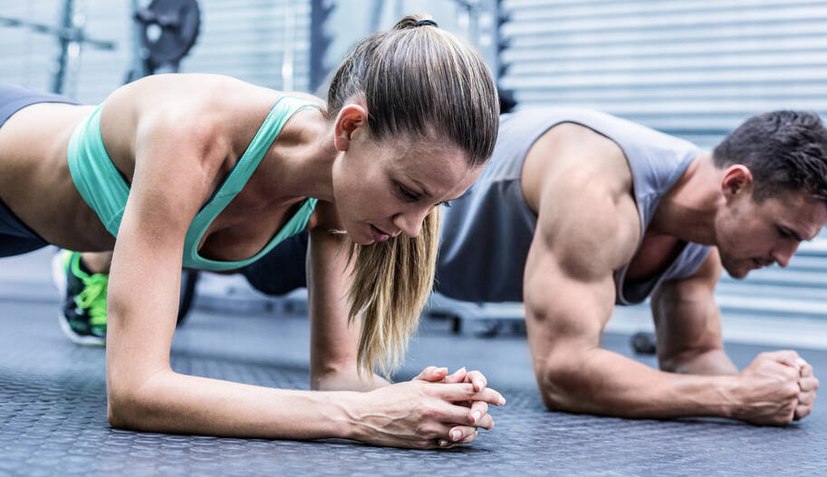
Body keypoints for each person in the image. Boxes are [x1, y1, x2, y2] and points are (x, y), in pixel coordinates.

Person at [0, 16, 505, 449]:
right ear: (350, 129)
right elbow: (136, 393)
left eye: (439, 204)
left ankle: (94, 259)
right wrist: (359, 417)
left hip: (49, 215)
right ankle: (92, 264)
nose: (414, 229)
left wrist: (424, 401)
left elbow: (337, 377)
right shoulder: (192, 134)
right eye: (408, 192)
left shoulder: (340, 200)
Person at [226, 108, 827, 426]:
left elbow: (694, 357)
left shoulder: (704, 242)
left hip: (415, 263)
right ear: (734, 183)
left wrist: (766, 386)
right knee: (240, 249)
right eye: (784, 233)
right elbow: (564, 374)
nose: (784, 258)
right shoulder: (599, 183)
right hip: (365, 225)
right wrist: (732, 396)